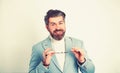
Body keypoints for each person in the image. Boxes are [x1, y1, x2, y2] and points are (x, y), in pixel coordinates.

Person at [29, 9, 95, 73]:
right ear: (47, 27)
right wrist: (44, 65)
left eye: (60, 23)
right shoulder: (37, 48)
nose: (57, 27)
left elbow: (91, 71)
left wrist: (82, 61)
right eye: (53, 24)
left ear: (64, 24)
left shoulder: (78, 43)